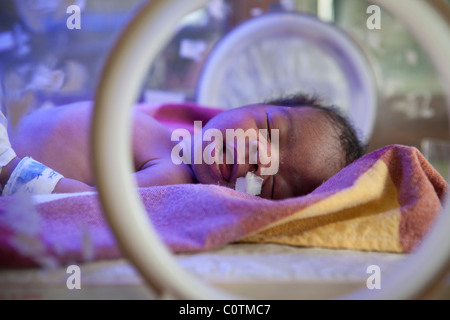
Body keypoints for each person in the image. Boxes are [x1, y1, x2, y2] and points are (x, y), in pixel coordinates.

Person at [0, 94, 365, 200]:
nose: (260, 158)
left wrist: (11, 167)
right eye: (268, 128)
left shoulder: (172, 174)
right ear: (239, 106)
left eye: (270, 184)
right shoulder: (173, 134)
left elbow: (88, 201)